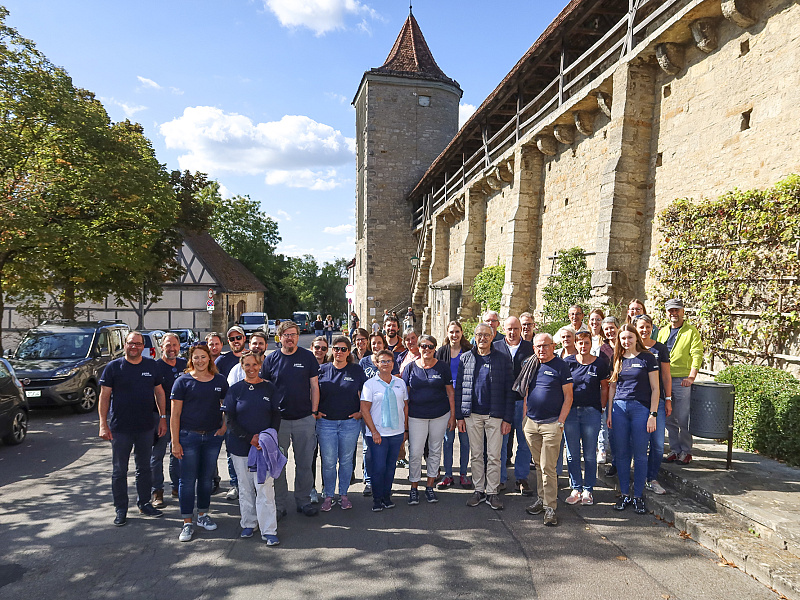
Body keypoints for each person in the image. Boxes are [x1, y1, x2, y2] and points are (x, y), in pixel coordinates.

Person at [98, 331, 167, 527]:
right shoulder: (113, 367)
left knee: (144, 468)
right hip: (120, 429)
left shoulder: (151, 365)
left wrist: (162, 419)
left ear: (143, 345)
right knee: (119, 471)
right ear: (125, 344)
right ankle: (120, 509)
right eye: (130, 343)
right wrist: (103, 423)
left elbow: (159, 393)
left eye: (138, 343)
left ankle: (144, 503)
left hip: (146, 427)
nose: (134, 346)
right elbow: (104, 397)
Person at [259, 320, 321, 518]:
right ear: (280, 337)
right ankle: (279, 505)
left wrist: (313, 412)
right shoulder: (271, 359)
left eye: (293, 334)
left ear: (298, 336)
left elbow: (314, 387)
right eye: (286, 335)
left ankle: (303, 501)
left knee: (304, 464)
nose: (290, 338)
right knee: (278, 466)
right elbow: (265, 390)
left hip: (304, 419)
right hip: (279, 422)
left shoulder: (307, 357)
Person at [222, 351, 282, 546]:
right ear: (242, 366)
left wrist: (265, 438)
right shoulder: (235, 390)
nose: (251, 368)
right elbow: (230, 419)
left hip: (264, 447)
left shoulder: (269, 389)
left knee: (265, 488)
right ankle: (249, 523)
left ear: (260, 365)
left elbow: (275, 416)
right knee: (246, 488)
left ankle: (269, 530)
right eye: (246, 365)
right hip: (240, 447)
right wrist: (249, 438)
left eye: (254, 365)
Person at [170, 344, 229, 542]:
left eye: (203, 357)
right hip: (188, 437)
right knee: (187, 481)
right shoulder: (182, 381)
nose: (200, 361)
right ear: (191, 359)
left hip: (212, 438)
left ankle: (202, 515)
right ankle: (187, 522)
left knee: (206, 480)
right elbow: (175, 414)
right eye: (196, 357)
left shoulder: (220, 380)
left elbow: (226, 406)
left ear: (209, 358)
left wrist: (224, 426)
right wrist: (175, 441)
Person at [455, 323, 515, 511]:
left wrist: (507, 419)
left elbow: (509, 391)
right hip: (472, 414)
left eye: (486, 335)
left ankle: (492, 492)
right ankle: (478, 490)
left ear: (493, 336)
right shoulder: (466, 358)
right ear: (474, 336)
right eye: (479, 335)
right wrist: (459, 416)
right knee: (476, 454)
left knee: (494, 456)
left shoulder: (503, 359)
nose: (482, 338)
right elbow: (460, 390)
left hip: (495, 415)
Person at [517, 333, 573, 526]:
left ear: (553, 346)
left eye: (545, 345)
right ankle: (542, 500)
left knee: (548, 467)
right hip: (532, 423)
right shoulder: (531, 364)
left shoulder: (561, 366)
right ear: (534, 348)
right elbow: (525, 392)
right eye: (538, 346)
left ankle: (550, 508)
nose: (542, 349)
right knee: (539, 466)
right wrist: (525, 418)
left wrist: (561, 422)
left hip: (551, 424)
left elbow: (569, 397)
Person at [608, 324, 660, 515]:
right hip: (619, 409)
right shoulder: (618, 358)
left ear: (636, 338)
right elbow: (612, 387)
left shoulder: (648, 358)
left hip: (640, 409)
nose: (626, 341)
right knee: (621, 454)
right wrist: (609, 414)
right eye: (623, 338)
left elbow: (656, 389)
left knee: (639, 454)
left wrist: (652, 414)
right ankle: (624, 494)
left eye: (629, 337)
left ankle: (638, 496)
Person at [402, 334, 455, 505]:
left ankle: (430, 486)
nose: (427, 349)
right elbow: (405, 397)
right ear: (418, 347)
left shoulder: (442, 367)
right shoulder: (410, 368)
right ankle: (414, 487)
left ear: (435, 348)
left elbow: (450, 392)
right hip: (416, 416)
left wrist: (453, 415)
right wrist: (404, 423)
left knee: (434, 450)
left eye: (430, 346)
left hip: (439, 415)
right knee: (415, 452)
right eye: (423, 346)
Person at [317, 336, 367, 511]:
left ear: (348, 351)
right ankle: (329, 495)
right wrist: (315, 411)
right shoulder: (322, 369)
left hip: (349, 423)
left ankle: (344, 494)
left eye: (343, 349)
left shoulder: (356, 370)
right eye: (336, 349)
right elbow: (312, 391)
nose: (339, 352)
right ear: (332, 350)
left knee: (346, 461)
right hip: (326, 424)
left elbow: (366, 394)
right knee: (329, 462)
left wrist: (361, 413)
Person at [563, 331, 609, 506]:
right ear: (575, 344)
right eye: (580, 343)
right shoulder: (568, 363)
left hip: (591, 412)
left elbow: (604, 388)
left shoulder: (600, 364)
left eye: (587, 343)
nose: (583, 346)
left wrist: (601, 407)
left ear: (591, 344)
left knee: (590, 454)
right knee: (572, 454)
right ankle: (576, 488)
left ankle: (588, 489)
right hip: (571, 413)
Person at [361, 349, 409, 511]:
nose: (386, 364)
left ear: (393, 363)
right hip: (378, 435)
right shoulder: (370, 384)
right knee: (379, 467)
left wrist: (405, 429)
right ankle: (377, 498)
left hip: (396, 433)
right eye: (382, 361)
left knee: (390, 467)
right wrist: (374, 431)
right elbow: (364, 409)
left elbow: (405, 406)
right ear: (376, 364)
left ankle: (386, 497)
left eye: (389, 361)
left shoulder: (400, 383)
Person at [657, 298, 703, 465]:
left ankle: (686, 451)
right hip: (663, 379)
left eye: (677, 310)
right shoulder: (663, 331)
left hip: (681, 380)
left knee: (682, 418)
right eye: (671, 310)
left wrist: (691, 377)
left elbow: (697, 354)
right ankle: (675, 450)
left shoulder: (691, 332)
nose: (674, 313)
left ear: (683, 311)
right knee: (668, 418)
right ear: (667, 313)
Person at [494, 316, 534, 496]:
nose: (513, 332)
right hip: (501, 403)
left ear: (521, 329)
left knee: (524, 442)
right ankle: (500, 479)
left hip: (523, 402)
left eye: (516, 328)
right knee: (501, 443)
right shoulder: (496, 348)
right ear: (504, 328)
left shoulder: (529, 348)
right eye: (509, 329)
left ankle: (522, 478)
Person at [634, 314, 672, 495]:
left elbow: (666, 376)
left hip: (657, 402)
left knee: (657, 443)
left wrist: (669, 398)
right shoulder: (631, 347)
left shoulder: (660, 349)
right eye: (641, 327)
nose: (644, 330)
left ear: (652, 328)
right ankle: (638, 477)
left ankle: (652, 478)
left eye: (647, 326)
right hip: (637, 402)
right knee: (639, 442)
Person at [150, 332, 187, 508]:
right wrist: (162, 417)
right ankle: (157, 491)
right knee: (157, 456)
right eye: (168, 345)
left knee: (177, 453)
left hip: (181, 416)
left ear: (179, 347)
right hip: (161, 416)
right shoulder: (155, 367)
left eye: (175, 345)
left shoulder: (185, 364)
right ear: (161, 347)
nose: (172, 349)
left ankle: (176, 487)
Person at [435, 321, 473, 489]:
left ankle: (464, 474)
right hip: (446, 401)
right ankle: (448, 474)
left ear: (462, 332)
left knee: (465, 440)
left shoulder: (470, 351)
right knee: (448, 440)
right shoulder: (441, 352)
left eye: (457, 331)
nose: (454, 335)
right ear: (447, 333)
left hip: (465, 400)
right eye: (451, 332)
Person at [216, 325, 247, 501]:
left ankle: (251, 483)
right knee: (231, 450)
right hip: (230, 413)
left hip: (251, 412)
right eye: (232, 339)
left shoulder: (252, 357)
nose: (236, 341)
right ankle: (235, 484)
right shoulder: (222, 361)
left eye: (239, 338)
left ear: (244, 339)